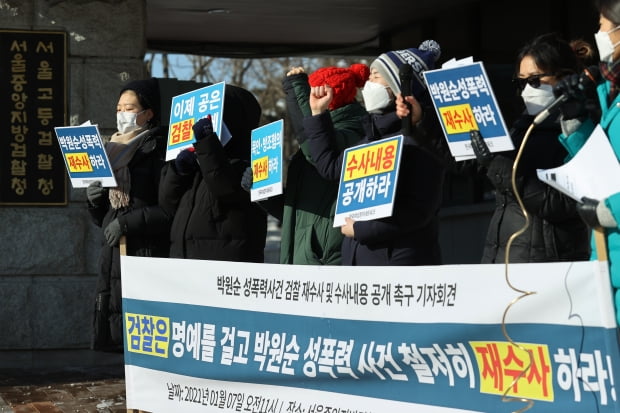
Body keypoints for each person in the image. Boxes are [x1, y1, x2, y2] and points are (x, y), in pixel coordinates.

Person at [303, 40, 446, 266]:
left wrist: (360, 229)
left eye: (376, 76)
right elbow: (330, 168)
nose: (368, 82)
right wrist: (317, 115)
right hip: (362, 263)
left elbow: (418, 211)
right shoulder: (372, 137)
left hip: (399, 266)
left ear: (398, 87)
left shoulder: (419, 141)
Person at [469, 33, 595, 264]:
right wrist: (422, 124)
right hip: (504, 257)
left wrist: (496, 165)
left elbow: (558, 203)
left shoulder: (580, 129)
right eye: (521, 82)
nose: (527, 90)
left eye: (535, 80)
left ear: (564, 77)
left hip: (548, 265)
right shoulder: (521, 127)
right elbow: (471, 168)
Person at [241, 64, 369, 265]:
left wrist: (296, 90)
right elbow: (297, 214)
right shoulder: (318, 137)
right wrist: (264, 193)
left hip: (326, 261)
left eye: (312, 94)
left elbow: (315, 152)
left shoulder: (353, 134)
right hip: (303, 260)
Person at [86, 78, 171, 352]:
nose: (123, 114)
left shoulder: (159, 149)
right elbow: (104, 217)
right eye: (119, 108)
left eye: (130, 108)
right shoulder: (110, 151)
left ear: (148, 114)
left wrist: (126, 222)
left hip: (146, 252)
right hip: (113, 258)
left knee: (145, 340)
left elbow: (170, 210)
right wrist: (95, 202)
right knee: (117, 340)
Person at [553, 0, 620, 324]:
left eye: (604, 25)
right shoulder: (610, 91)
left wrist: (609, 211)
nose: (598, 34)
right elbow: (600, 169)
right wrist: (576, 118)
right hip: (608, 263)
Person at [159, 84, 267, 262]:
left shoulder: (252, 160)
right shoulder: (201, 158)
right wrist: (178, 171)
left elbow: (225, 189)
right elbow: (167, 204)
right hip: (185, 263)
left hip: (223, 269)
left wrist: (208, 144)